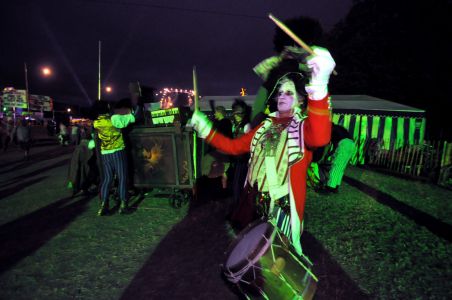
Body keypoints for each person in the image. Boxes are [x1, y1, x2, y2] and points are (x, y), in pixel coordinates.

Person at [191, 47, 335, 255]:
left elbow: (321, 137)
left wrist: (320, 84)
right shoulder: (264, 125)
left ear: (300, 99)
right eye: (280, 92)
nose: (282, 96)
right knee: (252, 253)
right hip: (252, 199)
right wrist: (204, 128)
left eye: (289, 92)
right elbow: (233, 147)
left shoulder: (303, 126)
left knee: (277, 258)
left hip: (281, 206)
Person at [93, 100, 135, 216]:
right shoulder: (114, 118)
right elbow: (131, 119)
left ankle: (103, 206)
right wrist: (129, 113)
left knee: (107, 179)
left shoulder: (96, 122)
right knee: (122, 177)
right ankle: (123, 205)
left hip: (105, 153)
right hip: (117, 151)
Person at [314, 124, 356, 194]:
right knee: (340, 168)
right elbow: (336, 146)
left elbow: (327, 145)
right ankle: (335, 187)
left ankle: (330, 188)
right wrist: (329, 154)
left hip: (344, 144)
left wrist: (323, 157)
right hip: (351, 144)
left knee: (336, 166)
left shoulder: (329, 130)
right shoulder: (337, 128)